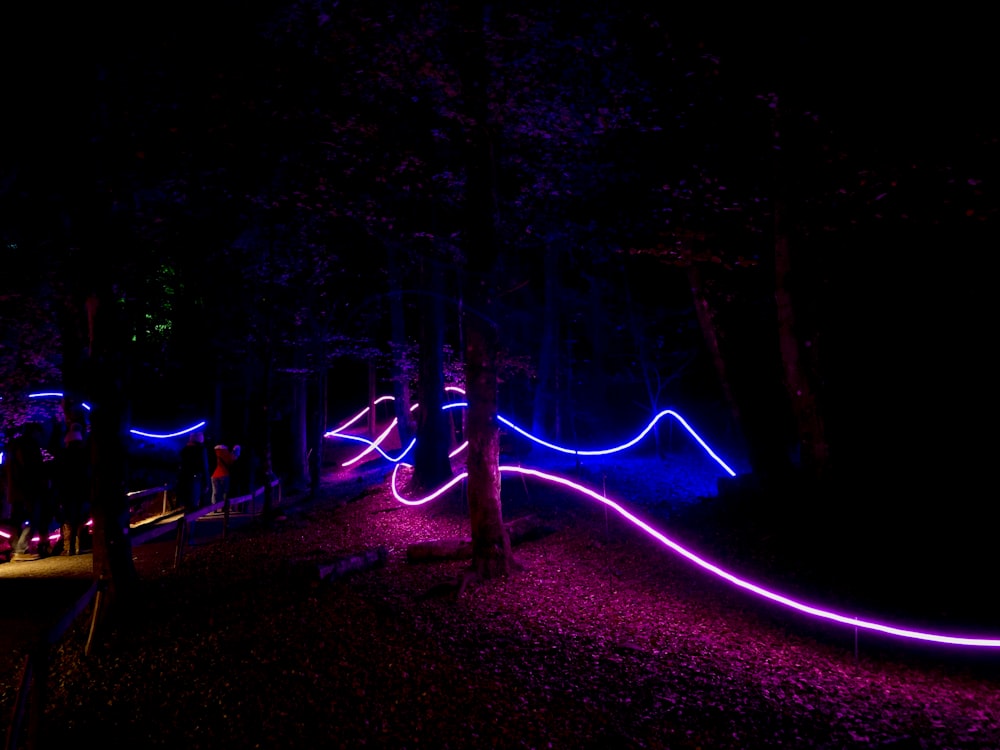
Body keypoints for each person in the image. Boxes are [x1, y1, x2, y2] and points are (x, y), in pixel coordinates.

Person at [5, 425, 46, 561]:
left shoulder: (13, 445)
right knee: (33, 517)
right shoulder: (28, 445)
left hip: (15, 488)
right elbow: (29, 467)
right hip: (28, 488)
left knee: (17, 520)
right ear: (34, 432)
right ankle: (21, 550)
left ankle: (16, 549)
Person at [57, 423, 90, 555]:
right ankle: (78, 545)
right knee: (79, 518)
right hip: (81, 489)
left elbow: (59, 474)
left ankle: (68, 546)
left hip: (67, 490)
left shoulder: (64, 456)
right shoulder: (84, 455)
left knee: (68, 518)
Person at [177, 431, 210, 512]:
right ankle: (191, 523)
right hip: (196, 478)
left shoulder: (184, 450)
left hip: (184, 479)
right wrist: (207, 482)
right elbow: (204, 466)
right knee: (193, 506)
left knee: (187, 505)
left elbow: (180, 465)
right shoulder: (201, 450)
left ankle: (186, 523)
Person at [211, 443, 240, 512]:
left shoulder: (213, 452)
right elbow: (231, 461)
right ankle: (224, 507)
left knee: (215, 492)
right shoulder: (225, 452)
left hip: (214, 474)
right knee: (225, 491)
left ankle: (214, 508)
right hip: (224, 474)